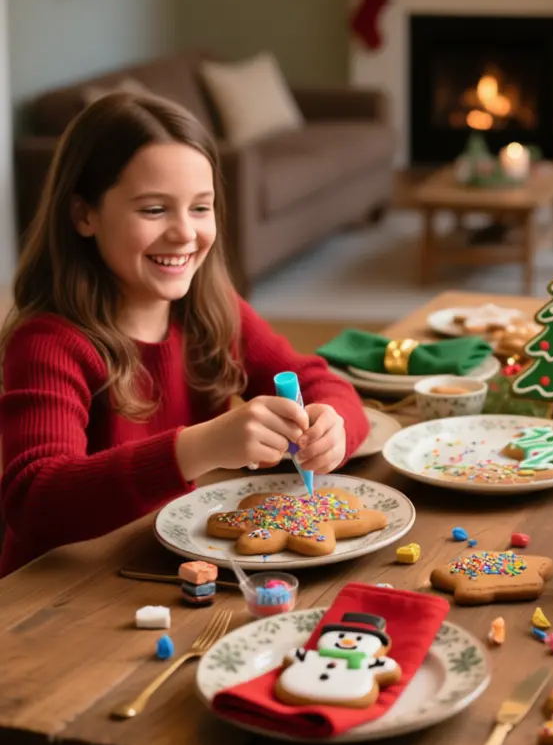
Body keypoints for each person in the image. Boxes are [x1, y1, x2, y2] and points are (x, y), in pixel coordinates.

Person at [0, 92, 370, 577]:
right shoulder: (50, 342)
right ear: (83, 215)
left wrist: (333, 426)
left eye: (200, 208)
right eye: (154, 210)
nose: (184, 233)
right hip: (58, 600)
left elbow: (318, 379)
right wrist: (199, 447)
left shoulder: (212, 312)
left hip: (167, 570)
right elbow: (35, 498)